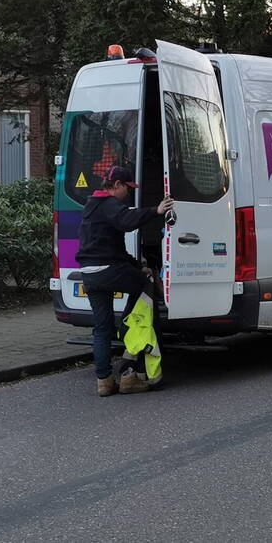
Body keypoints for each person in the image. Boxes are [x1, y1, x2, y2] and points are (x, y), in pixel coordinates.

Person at [75, 166, 173, 397]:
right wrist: (156, 210)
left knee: (102, 328)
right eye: (127, 189)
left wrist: (138, 266)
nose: (128, 194)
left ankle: (104, 381)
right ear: (116, 185)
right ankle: (131, 370)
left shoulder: (92, 206)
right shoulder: (109, 205)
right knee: (145, 288)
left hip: (90, 274)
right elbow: (128, 221)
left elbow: (116, 249)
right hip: (108, 270)